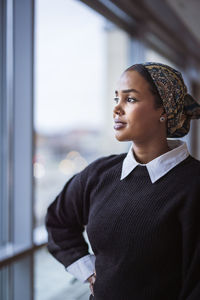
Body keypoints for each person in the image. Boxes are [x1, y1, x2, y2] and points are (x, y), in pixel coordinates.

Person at [45, 62, 200, 300]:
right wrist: (89, 271)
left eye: (130, 99)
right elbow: (58, 221)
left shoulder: (193, 185)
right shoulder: (99, 173)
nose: (117, 108)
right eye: (116, 98)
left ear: (164, 110)